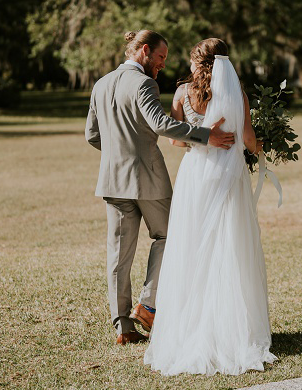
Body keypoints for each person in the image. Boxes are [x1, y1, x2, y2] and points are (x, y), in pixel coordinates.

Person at [85, 30, 235, 345]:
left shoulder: (100, 84)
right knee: (169, 235)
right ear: (144, 51)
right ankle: (148, 304)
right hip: (148, 179)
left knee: (118, 255)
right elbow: (162, 124)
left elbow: (92, 135)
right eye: (161, 57)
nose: (162, 65)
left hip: (112, 182)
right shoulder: (143, 83)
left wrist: (118, 154)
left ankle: (123, 326)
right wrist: (206, 135)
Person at [144, 38, 276, 375]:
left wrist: (201, 133)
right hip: (227, 177)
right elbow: (247, 139)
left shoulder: (181, 94)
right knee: (227, 247)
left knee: (193, 247)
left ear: (196, 62)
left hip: (194, 175)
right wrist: (263, 143)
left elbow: (175, 138)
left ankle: (189, 329)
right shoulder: (234, 92)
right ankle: (230, 332)